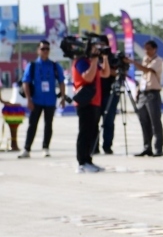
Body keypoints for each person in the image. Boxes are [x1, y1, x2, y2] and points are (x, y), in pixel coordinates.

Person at [19, 40, 65, 158]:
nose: (45, 51)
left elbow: (61, 81)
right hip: (36, 100)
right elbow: (26, 83)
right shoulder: (33, 65)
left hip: (50, 100)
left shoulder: (54, 65)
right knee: (32, 124)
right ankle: (27, 148)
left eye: (47, 49)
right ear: (38, 50)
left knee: (48, 124)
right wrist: (29, 99)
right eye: (43, 48)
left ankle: (45, 147)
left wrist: (63, 97)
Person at [73, 41, 112, 173]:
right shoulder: (81, 62)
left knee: (92, 133)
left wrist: (105, 58)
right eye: (95, 49)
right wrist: (95, 61)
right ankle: (81, 162)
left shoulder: (92, 63)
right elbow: (88, 78)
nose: (97, 51)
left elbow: (105, 74)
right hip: (85, 102)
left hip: (95, 102)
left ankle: (88, 160)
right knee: (84, 133)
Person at [132, 40, 163, 157]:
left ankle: (158, 148)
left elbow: (147, 70)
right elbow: (143, 77)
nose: (146, 51)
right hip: (143, 93)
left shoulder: (158, 60)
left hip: (153, 94)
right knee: (144, 122)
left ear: (154, 49)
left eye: (149, 48)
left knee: (155, 122)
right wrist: (138, 91)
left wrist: (132, 62)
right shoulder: (145, 59)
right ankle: (147, 147)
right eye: (145, 48)